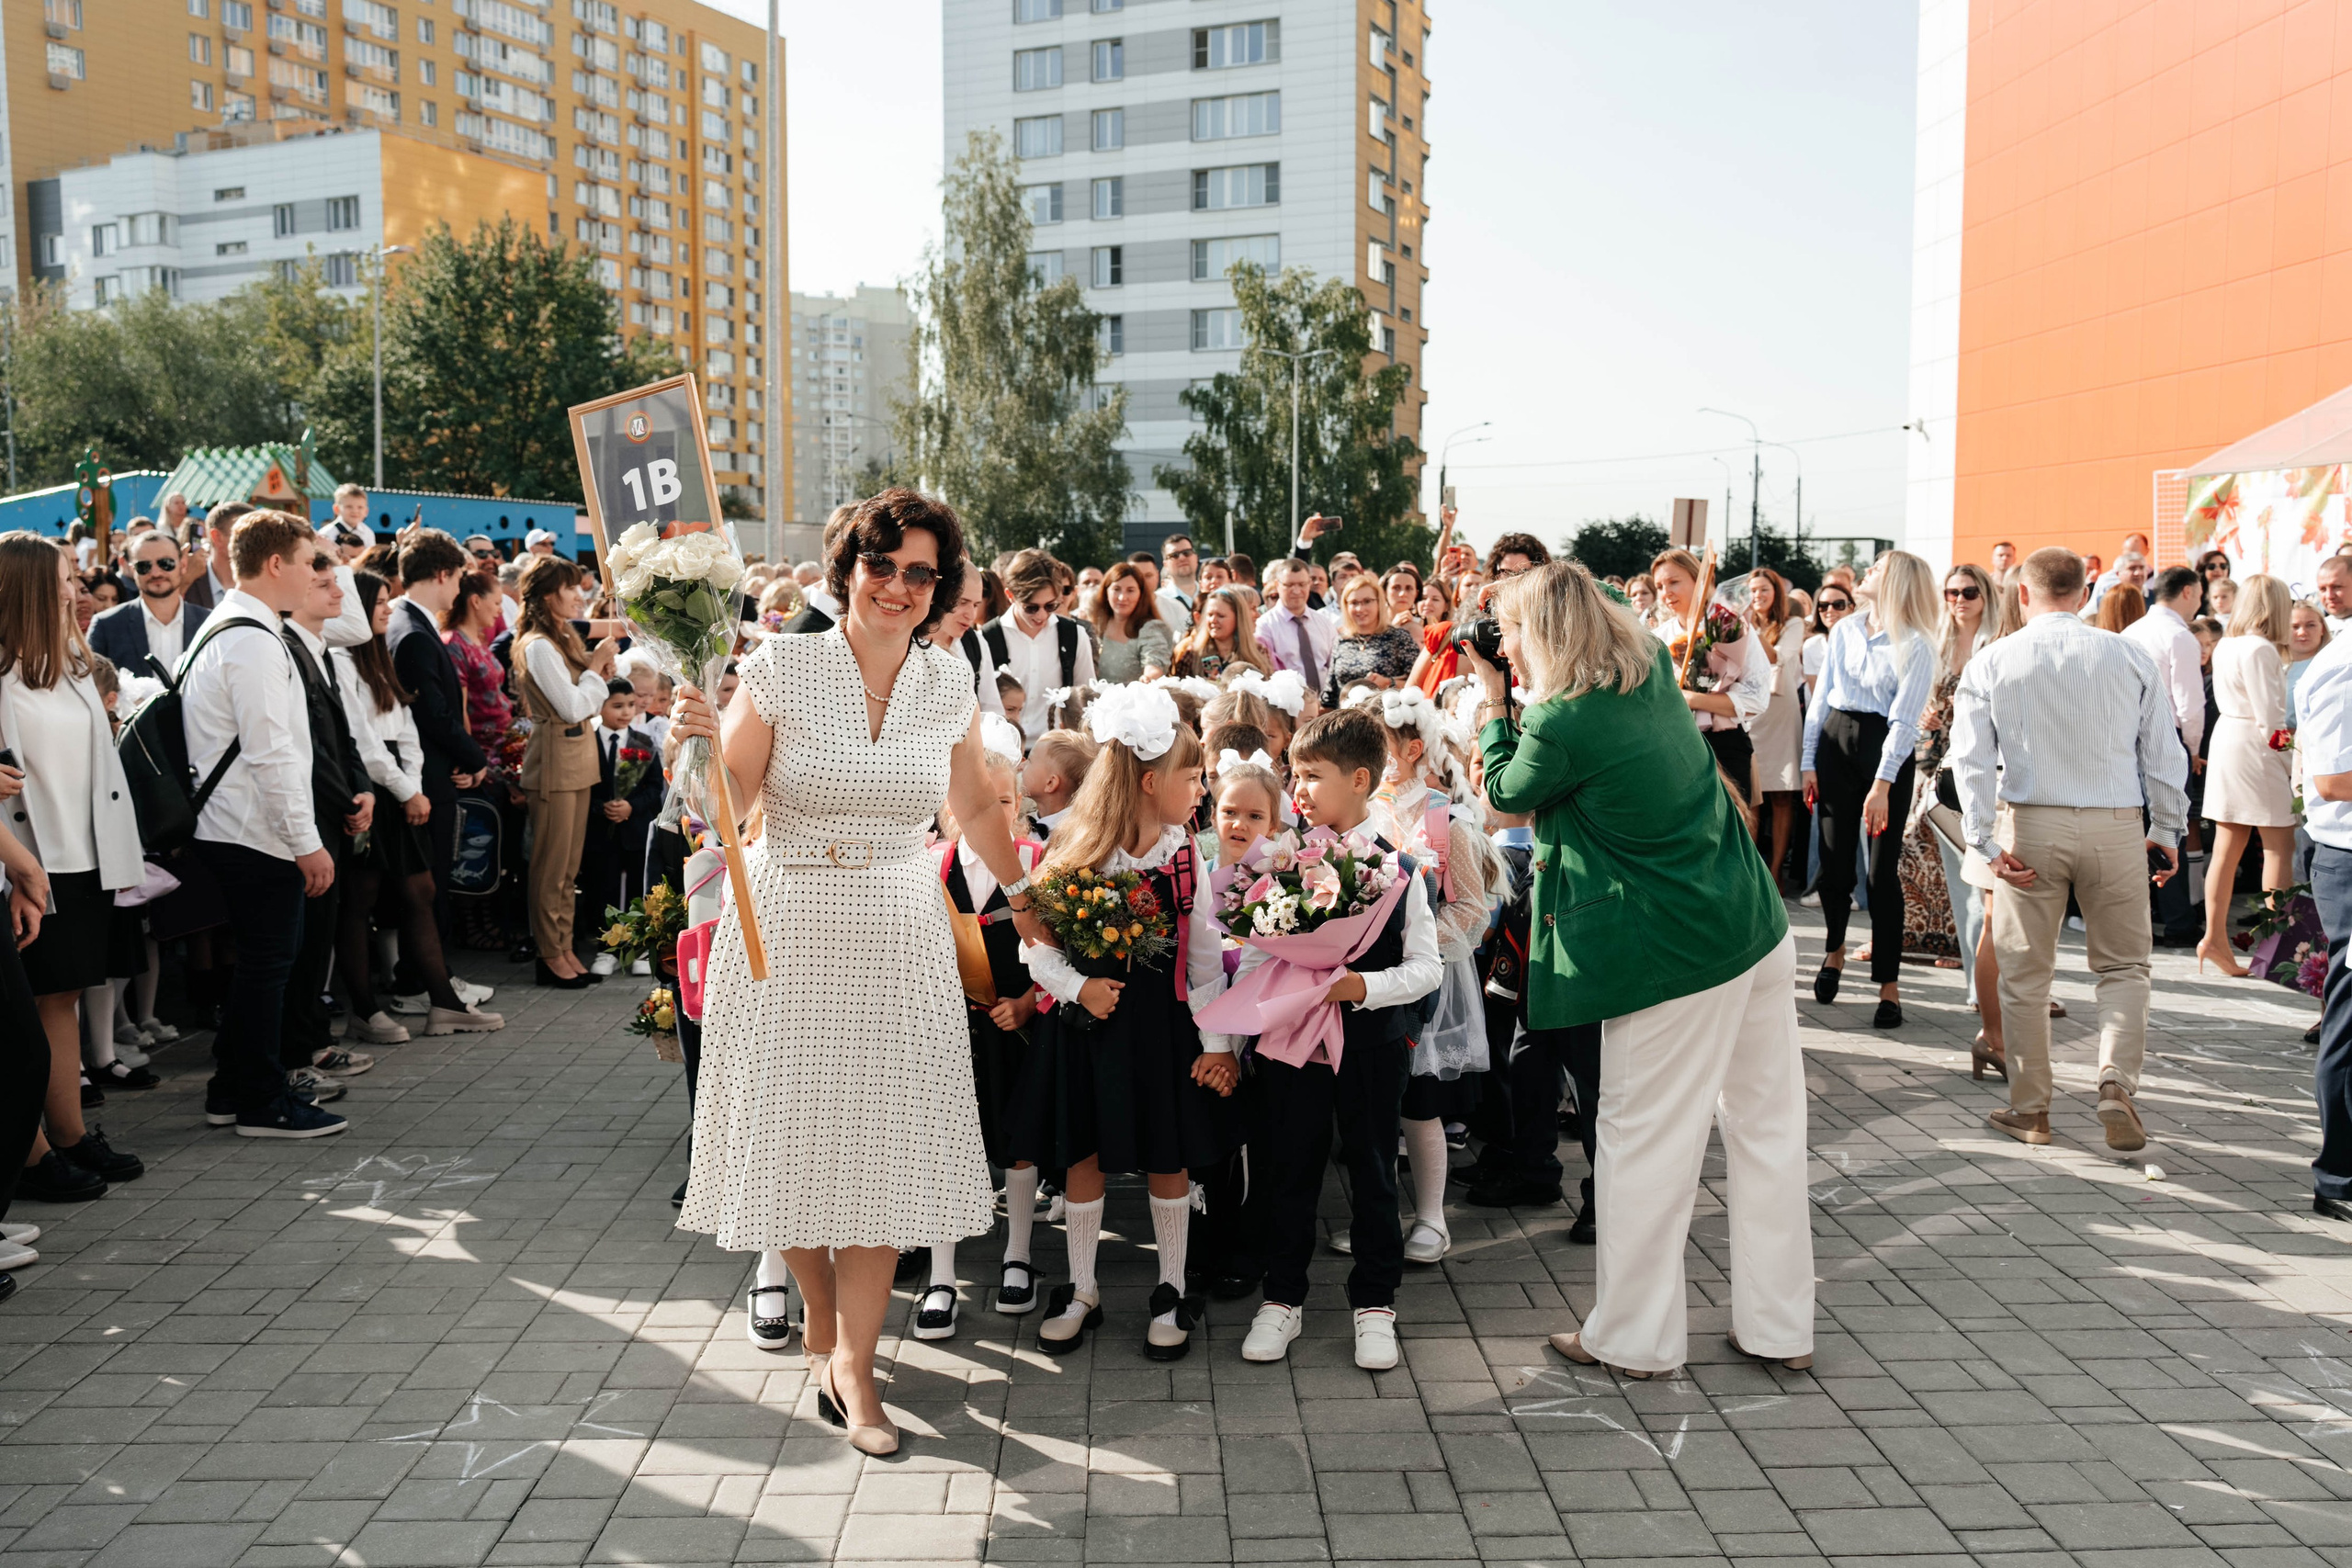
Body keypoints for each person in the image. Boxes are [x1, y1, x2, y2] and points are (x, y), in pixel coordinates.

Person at [670, 488, 1050, 1458]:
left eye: (920, 572)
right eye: (880, 566)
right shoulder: (782, 666)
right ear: (847, 569)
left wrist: (1026, 894)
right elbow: (733, 802)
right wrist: (700, 744)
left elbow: (969, 804)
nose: (897, 586)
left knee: (885, 1150)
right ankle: (821, 1323)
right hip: (790, 919)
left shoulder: (945, 676)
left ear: (941, 587)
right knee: (794, 1140)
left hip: (900, 931)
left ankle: (853, 1364)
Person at [1471, 561, 1807, 1377]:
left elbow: (1501, 798)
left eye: (1512, 631)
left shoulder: (1562, 719)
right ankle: (1780, 1329)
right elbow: (1605, 601)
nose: (1505, 648)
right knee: (1768, 1134)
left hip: (1673, 957)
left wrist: (1492, 701)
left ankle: (1633, 1337)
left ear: (1546, 634)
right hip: (1751, 922)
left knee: (1640, 1140)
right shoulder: (1649, 660)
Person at [1006, 686, 1230, 1359]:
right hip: (1087, 1032)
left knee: (1168, 1158)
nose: (1201, 790)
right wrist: (1079, 986)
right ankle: (1082, 1288)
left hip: (1161, 1032)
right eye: (1194, 777)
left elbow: (1207, 958)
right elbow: (1034, 947)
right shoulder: (1073, 847)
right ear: (1150, 779)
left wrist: (1218, 1045)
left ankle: (1170, 1286)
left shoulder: (1185, 856)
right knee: (1085, 1157)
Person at [1949, 547, 2187, 1151]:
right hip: (2115, 822)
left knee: (2026, 974)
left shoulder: (1994, 659)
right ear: (2083, 594)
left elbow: (1970, 760)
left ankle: (2031, 1108)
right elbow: (2164, 752)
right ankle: (2114, 1080)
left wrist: (1981, 837)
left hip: (2030, 826)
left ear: (2022, 595)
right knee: (2125, 964)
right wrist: (2167, 829)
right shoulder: (2128, 653)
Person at [1235, 708, 1442, 1373]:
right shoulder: (1284, 859)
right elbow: (1261, 948)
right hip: (1297, 1042)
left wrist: (1363, 986)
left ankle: (1375, 1303)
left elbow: (1427, 968)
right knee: (1289, 1165)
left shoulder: (1402, 869)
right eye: (1294, 774)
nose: (1298, 789)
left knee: (1375, 1169)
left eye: (1313, 776)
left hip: (1373, 1041)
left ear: (1360, 779)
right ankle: (1283, 1296)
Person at [182, 511, 349, 1140]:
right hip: (252, 830)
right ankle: (259, 1098)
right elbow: (271, 752)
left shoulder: (236, 625)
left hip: (239, 825)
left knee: (260, 964)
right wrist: (306, 843)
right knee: (267, 967)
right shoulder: (251, 637)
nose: (316, 573)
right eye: (309, 561)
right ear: (275, 563)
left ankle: (233, 1088)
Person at [0, 536, 148, 1201]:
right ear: (31, 587)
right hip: (30, 860)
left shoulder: (71, 660)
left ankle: (67, 1131)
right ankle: (28, 1153)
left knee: (61, 996)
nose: (77, 589)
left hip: (82, 856)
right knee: (22, 1014)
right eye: (64, 580)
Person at [336, 570, 503, 1042]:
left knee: (421, 891)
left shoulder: (378, 656)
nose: (388, 609)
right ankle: (365, 1010)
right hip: (370, 783)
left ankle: (443, 1004)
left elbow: (403, 723)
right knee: (361, 899)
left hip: (401, 783)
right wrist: (406, 790)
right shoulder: (341, 660)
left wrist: (412, 786)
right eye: (379, 603)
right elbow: (362, 739)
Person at [1802, 551, 1939, 1027]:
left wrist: (1882, 784)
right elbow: (1820, 701)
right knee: (1835, 864)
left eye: (1877, 568)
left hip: (1886, 751)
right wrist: (1807, 763)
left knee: (1882, 874)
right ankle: (1834, 951)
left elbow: (1905, 723)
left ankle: (1889, 985)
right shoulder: (1842, 631)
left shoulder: (1918, 644)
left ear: (1896, 580)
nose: (1866, 572)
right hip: (1835, 743)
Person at [277, 548, 374, 1100]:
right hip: (311, 815)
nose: (340, 594)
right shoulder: (287, 647)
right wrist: (347, 797)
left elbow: (342, 738)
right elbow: (306, 747)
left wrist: (360, 787)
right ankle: (293, 1056)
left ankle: (308, 1042)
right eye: (324, 584)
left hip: (334, 807)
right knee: (303, 946)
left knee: (318, 943)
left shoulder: (318, 648)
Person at [512, 557, 620, 987]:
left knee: (569, 868)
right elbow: (572, 706)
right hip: (555, 759)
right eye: (571, 587)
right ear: (546, 594)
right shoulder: (538, 644)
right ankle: (550, 953)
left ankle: (564, 949)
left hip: (576, 758)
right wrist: (595, 670)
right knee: (551, 867)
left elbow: (586, 700)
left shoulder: (559, 637)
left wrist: (597, 672)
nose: (581, 595)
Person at [389, 533, 491, 945]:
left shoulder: (412, 623)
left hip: (431, 771)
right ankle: (428, 979)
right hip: (427, 776)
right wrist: (474, 758)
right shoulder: (412, 631)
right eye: (459, 577)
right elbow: (432, 713)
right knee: (432, 882)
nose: (460, 587)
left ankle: (433, 977)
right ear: (442, 574)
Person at [2200, 573, 2299, 976]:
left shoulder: (2229, 644)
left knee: (2227, 847)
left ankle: (2214, 939)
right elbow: (2272, 721)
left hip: (2229, 740)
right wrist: (2295, 762)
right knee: (2278, 845)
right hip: (2255, 747)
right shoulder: (2260, 649)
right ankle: (2282, 951)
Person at [579, 680, 664, 976]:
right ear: (599, 706)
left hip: (635, 831)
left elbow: (654, 789)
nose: (626, 712)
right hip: (600, 832)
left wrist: (631, 807)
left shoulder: (642, 742)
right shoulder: (585, 741)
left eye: (630, 705)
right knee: (603, 888)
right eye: (617, 706)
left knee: (638, 892)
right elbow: (581, 786)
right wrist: (600, 807)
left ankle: (639, 947)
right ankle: (607, 949)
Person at [989, 550, 1093, 744]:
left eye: (1051, 606)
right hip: (1001, 752)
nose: (1042, 615)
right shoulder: (987, 639)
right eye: (1031, 607)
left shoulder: (1074, 636)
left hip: (1058, 752)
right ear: (1010, 595)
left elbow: (1086, 703)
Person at [1744, 569, 1806, 887]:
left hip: (1780, 712)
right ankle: (1752, 870)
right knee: (1754, 795)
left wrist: (1746, 627)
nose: (1757, 596)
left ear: (1776, 592)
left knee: (1782, 796)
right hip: (1751, 712)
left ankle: (1776, 869)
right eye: (1752, 590)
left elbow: (1777, 658)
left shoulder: (1793, 623)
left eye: (1763, 590)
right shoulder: (1743, 623)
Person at [88, 528, 210, 682]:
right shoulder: (106, 626)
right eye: (144, 566)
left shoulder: (209, 622)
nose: (156, 573)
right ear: (132, 570)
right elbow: (93, 689)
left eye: (166, 563)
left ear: (183, 564)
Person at [1322, 572, 1420, 705]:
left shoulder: (1399, 638)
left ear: (1379, 602)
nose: (1360, 608)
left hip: (1386, 720)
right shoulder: (1341, 640)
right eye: (1354, 603)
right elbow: (1330, 694)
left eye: (1367, 601)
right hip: (1346, 720)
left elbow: (1418, 683)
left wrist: (1389, 683)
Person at [1255, 559, 1339, 692]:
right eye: (1289, 585)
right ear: (1277, 585)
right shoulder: (1265, 626)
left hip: (1325, 705)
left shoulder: (1324, 623)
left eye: (1302, 584)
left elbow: (1334, 667)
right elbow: (1267, 672)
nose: (1296, 590)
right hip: (1284, 705)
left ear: (1309, 584)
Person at [1090, 561, 1174, 683]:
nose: (1122, 597)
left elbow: (1155, 661)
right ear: (1106, 592)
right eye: (1116, 589)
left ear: (1140, 594)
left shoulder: (1150, 628)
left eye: (1130, 590)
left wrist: (1149, 677)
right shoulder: (1094, 625)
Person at [1170, 587, 1271, 682]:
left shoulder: (1258, 652)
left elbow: (1266, 693)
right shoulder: (1191, 654)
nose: (1213, 620)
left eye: (1221, 616)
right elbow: (1179, 695)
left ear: (1238, 618)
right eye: (1209, 615)